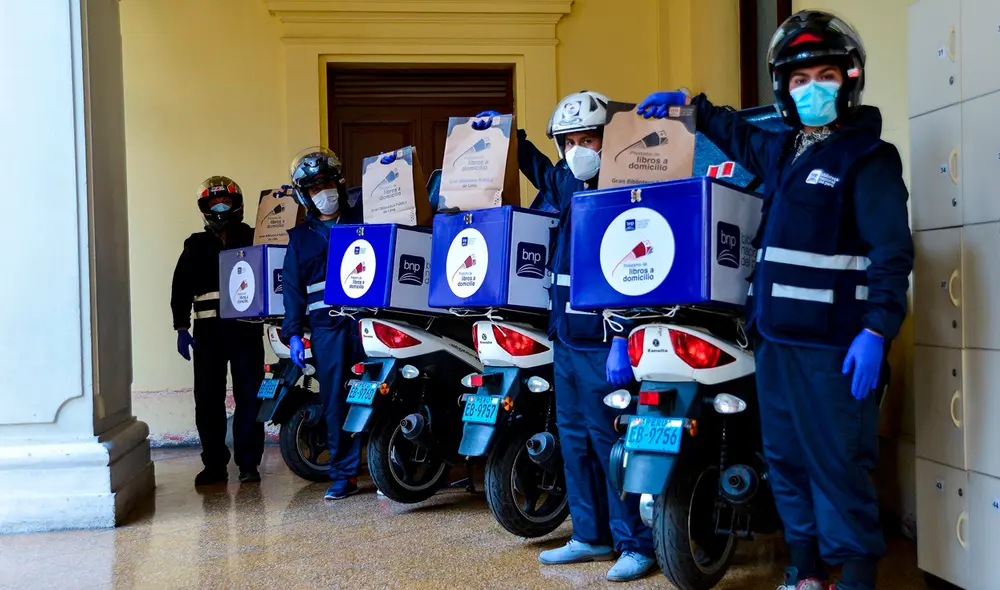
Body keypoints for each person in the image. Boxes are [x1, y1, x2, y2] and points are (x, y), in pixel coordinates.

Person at [639, 11, 913, 590]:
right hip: (776, 342)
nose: (813, 88)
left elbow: (892, 254)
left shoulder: (869, 158)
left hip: (835, 351)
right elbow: (738, 136)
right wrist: (691, 108)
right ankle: (804, 570)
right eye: (800, 79)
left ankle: (855, 577)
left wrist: (876, 332)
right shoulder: (787, 151)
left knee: (837, 467)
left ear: (850, 79)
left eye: (826, 76)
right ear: (783, 90)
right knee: (786, 461)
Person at [474, 94, 656, 583]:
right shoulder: (567, 181)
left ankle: (634, 543)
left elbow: (638, 270)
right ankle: (591, 536)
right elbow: (536, 166)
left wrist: (622, 336)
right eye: (569, 141)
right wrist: (506, 133)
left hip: (603, 339)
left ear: (608, 140)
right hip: (567, 338)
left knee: (609, 442)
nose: (578, 150)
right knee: (574, 441)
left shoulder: (630, 187)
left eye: (587, 140)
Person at [171, 176, 266, 486]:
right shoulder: (194, 245)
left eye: (225, 201)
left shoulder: (255, 237)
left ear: (238, 205)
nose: (221, 208)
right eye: (214, 203)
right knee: (208, 400)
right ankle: (214, 465)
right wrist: (181, 326)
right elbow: (180, 288)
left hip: (246, 331)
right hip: (208, 335)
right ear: (204, 208)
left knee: (250, 397)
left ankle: (249, 464)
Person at [282, 147, 365, 501]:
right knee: (335, 400)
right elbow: (292, 290)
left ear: (340, 184)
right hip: (327, 329)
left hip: (367, 321)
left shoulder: (364, 218)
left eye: (327, 184)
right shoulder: (300, 238)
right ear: (305, 195)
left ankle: (387, 464)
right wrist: (293, 334)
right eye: (315, 188)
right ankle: (344, 475)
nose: (324, 192)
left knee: (380, 391)